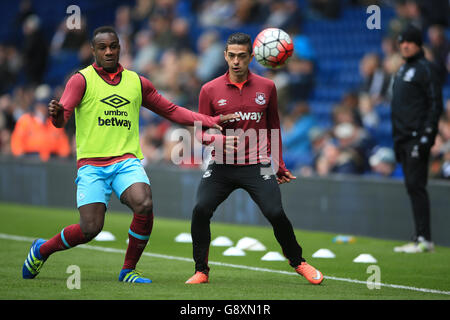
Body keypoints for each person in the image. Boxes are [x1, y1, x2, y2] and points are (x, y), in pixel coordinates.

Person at [22, 26, 237, 283]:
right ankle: (42, 249)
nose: (109, 51)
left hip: (126, 161)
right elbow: (61, 117)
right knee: (90, 228)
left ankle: (128, 270)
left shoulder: (136, 82)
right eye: (103, 47)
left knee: (144, 203)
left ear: (120, 48)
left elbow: (171, 110)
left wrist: (207, 119)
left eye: (113, 46)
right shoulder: (81, 80)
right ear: (93, 50)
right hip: (92, 164)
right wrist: (57, 116)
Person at [185, 33, 324, 285]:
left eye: (241, 56)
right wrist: (219, 141)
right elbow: (201, 130)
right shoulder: (209, 89)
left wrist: (279, 165)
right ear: (225, 56)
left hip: (256, 164)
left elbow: (274, 127)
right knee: (200, 210)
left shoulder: (267, 87)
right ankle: (201, 271)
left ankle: (299, 262)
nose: (236, 61)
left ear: (251, 57)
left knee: (275, 212)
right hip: (221, 165)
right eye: (231, 56)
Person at [391, 25, 443, 253]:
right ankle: (419, 236)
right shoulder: (402, 70)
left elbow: (435, 104)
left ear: (418, 44)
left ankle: (425, 239)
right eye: (402, 42)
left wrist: (426, 137)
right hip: (402, 138)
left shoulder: (426, 69)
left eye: (409, 42)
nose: (404, 45)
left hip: (416, 137)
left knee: (417, 185)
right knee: (412, 187)